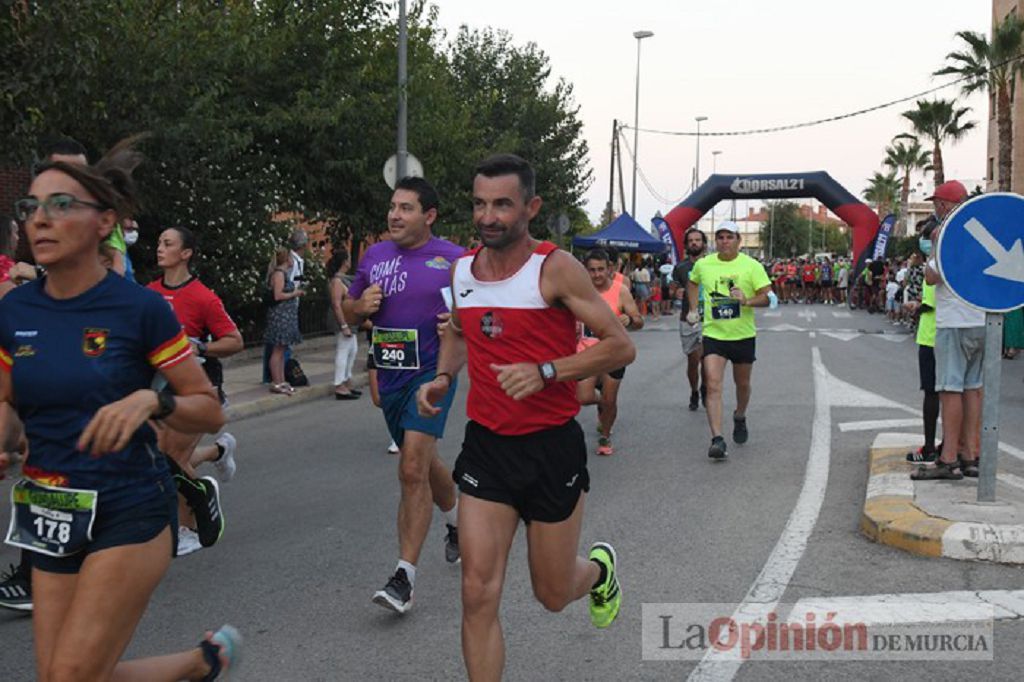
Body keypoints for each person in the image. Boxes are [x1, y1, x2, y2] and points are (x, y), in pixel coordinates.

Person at [1, 138, 240, 680]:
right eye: (31, 207)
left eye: (59, 205)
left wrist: (150, 400)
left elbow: (209, 410)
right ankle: (198, 665)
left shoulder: (140, 309)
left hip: (127, 508)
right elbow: (8, 403)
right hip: (49, 508)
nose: (39, 220)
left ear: (102, 220)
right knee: (70, 675)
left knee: (70, 676)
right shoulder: (14, 311)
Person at [417, 154, 634, 681]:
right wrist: (444, 377)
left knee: (552, 594)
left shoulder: (555, 268)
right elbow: (459, 330)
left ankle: (599, 571)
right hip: (488, 449)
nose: (488, 216)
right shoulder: (462, 269)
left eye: (502, 205)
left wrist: (548, 370)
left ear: (530, 207)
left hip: (550, 448)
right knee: (476, 593)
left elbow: (619, 346)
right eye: (479, 204)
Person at [344, 176, 463, 614]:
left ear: (428, 216)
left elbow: (478, 313)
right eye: (393, 206)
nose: (394, 215)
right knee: (424, 462)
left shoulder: (454, 259)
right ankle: (457, 523)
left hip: (433, 375)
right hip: (391, 377)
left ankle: (403, 579)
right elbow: (347, 309)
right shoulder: (374, 256)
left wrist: (457, 320)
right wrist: (359, 308)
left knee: (411, 465)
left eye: (406, 208)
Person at [147, 226, 243, 555]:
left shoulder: (203, 296)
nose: (160, 248)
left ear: (185, 253)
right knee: (161, 458)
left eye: (168, 244)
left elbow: (235, 341)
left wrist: (199, 345)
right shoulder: (148, 293)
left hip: (200, 389)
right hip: (159, 389)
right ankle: (217, 452)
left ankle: (188, 528)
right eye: (159, 243)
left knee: (171, 457)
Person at [914, 180, 982, 480]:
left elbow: (932, 277)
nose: (934, 210)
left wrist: (930, 256)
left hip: (953, 319)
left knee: (950, 389)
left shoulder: (946, 231)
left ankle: (949, 457)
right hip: (981, 319)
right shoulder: (982, 228)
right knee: (973, 388)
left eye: (935, 204)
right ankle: (971, 455)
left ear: (942, 205)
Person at [687, 221, 772, 460]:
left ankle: (740, 415)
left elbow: (769, 298)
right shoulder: (704, 264)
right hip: (714, 334)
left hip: (743, 335)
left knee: (742, 385)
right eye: (720, 237)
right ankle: (717, 439)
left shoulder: (752, 266)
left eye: (729, 237)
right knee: (713, 384)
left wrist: (746, 301)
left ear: (738, 240)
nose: (724, 241)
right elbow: (692, 282)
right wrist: (693, 309)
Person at [576, 248, 643, 455]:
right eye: (592, 270)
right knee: (584, 397)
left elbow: (639, 320)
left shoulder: (620, 291)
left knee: (610, 399)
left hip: (614, 354)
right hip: (586, 352)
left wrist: (630, 320)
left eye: (600, 269)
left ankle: (604, 436)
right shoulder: (578, 291)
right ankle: (603, 404)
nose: (596, 274)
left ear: (610, 269)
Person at [672, 228, 708, 411]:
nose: (694, 243)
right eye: (691, 240)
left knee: (707, 359)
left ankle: (706, 387)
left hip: (709, 319)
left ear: (704, 243)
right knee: (693, 361)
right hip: (689, 319)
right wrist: (676, 291)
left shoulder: (712, 264)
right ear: (686, 245)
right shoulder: (681, 267)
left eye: (698, 240)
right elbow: (674, 288)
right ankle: (694, 389)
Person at [264, 246, 304, 395]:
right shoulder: (279, 274)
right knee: (277, 350)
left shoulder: (282, 273)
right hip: (280, 316)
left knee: (281, 349)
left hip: (285, 316)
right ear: (287, 259)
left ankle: (281, 380)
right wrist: (294, 293)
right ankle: (276, 381)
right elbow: (278, 295)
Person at [327, 249, 360, 399]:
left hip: (350, 321)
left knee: (352, 350)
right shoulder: (337, 281)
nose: (349, 262)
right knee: (343, 350)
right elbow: (336, 304)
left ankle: (347, 380)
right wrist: (344, 325)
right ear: (344, 262)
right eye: (348, 259)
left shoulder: (344, 279)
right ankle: (339, 384)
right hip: (344, 322)